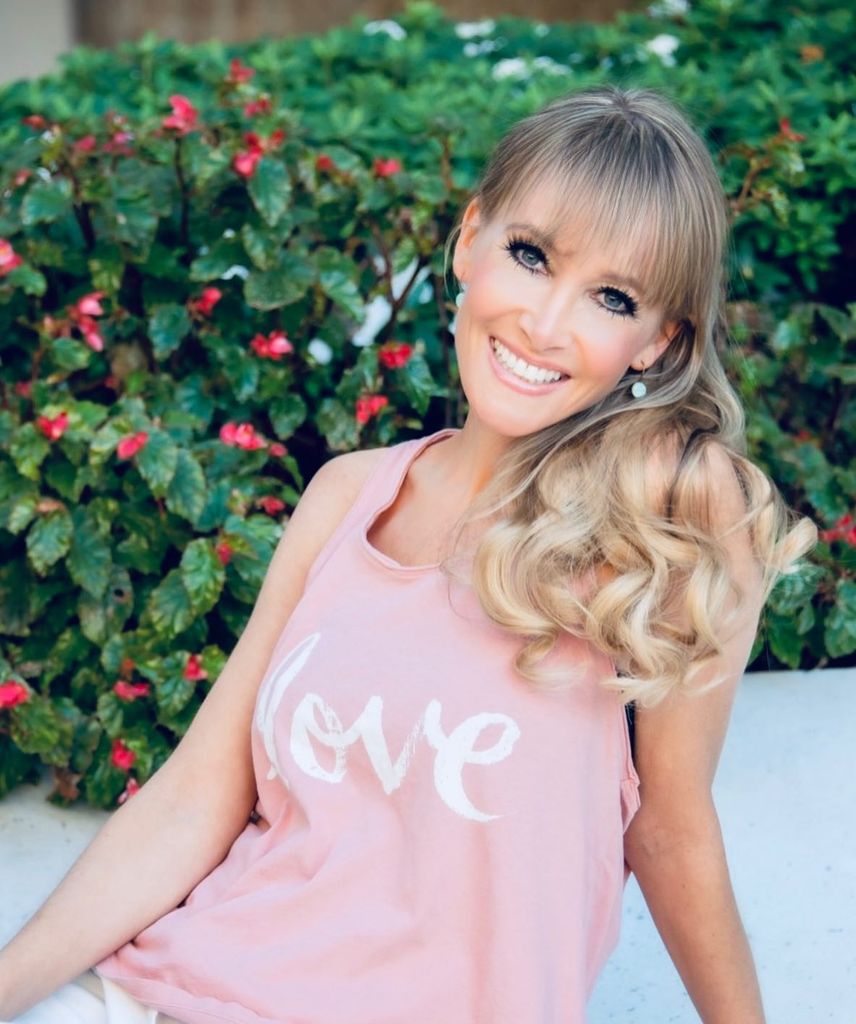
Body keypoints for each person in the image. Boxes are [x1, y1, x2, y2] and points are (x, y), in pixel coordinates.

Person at [0, 85, 814, 1024]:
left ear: (658, 342)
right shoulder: (348, 496)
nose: (546, 324)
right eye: (531, 255)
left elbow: (670, 832)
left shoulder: (672, 519)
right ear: (469, 241)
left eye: (611, 296)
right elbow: (194, 799)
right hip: (166, 991)